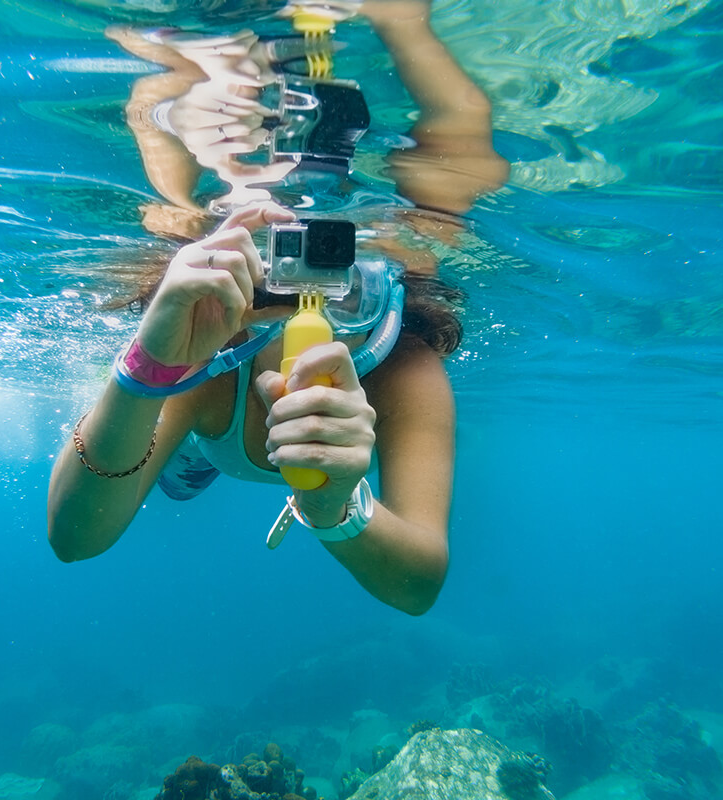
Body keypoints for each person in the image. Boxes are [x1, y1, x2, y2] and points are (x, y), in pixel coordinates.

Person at [48, 0, 505, 615]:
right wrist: (147, 369)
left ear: (389, 285)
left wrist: (333, 510)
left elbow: (419, 585)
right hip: (195, 447)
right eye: (271, 273)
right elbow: (74, 541)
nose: (300, 306)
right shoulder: (205, 350)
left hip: (228, 432)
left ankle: (193, 39)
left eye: (339, 279)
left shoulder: (403, 368)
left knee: (177, 110)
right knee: (177, 476)